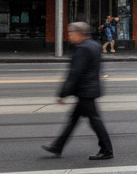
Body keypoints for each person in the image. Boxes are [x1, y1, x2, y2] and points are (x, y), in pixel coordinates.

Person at [42, 21, 114, 160]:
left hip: (85, 91)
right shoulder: (94, 45)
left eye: (71, 33)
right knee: (74, 119)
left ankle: (107, 150)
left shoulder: (82, 48)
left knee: (94, 121)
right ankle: (57, 146)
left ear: (79, 33)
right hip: (90, 88)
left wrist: (63, 93)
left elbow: (75, 72)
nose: (69, 35)